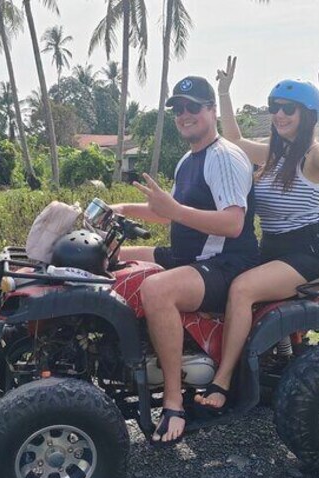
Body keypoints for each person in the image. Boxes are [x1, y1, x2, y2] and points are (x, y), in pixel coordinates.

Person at [194, 46, 319, 412]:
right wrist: (225, 93)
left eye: (288, 108)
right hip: (271, 247)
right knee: (216, 276)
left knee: (243, 289)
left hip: (306, 250)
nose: (279, 114)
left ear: (305, 114)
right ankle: (243, 359)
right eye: (274, 107)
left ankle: (223, 381)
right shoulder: (271, 154)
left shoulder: (313, 155)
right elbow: (231, 141)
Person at [111, 75, 259, 446]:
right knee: (108, 260)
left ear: (212, 110)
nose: (184, 115)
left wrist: (174, 208)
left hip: (225, 264)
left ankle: (173, 402)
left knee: (156, 289)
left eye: (193, 107)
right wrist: (118, 208)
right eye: (178, 109)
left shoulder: (224, 157)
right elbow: (168, 214)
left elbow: (233, 222)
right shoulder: (188, 160)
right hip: (188, 257)